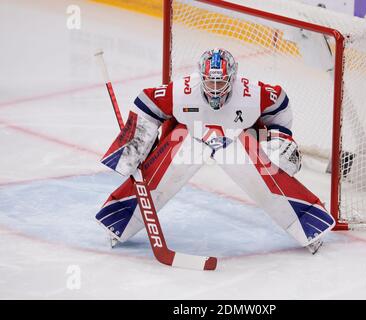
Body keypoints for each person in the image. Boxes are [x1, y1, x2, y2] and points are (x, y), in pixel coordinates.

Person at [96, 48, 334, 255]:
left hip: (241, 135)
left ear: (233, 78)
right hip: (188, 135)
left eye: (221, 82)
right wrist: (135, 145)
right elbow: (147, 102)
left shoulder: (253, 92)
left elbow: (279, 104)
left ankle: (307, 224)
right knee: (169, 164)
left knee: (261, 168)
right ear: (201, 77)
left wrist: (280, 137)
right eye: (210, 82)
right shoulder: (182, 91)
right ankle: (120, 220)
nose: (215, 89)